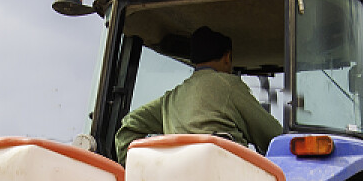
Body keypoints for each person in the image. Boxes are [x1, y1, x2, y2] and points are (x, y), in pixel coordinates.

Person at [113, 26, 284, 161]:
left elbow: (129, 125)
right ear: (227, 57)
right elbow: (272, 134)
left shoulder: (171, 99)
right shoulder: (230, 86)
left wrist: (134, 171)